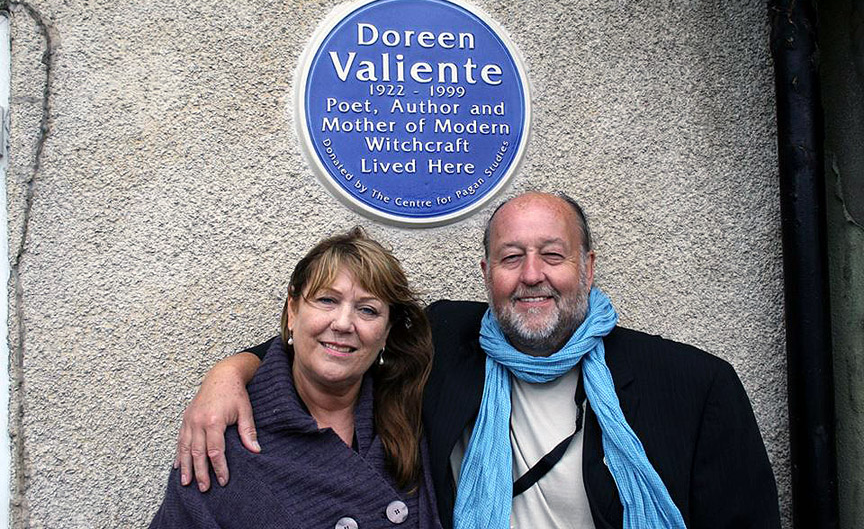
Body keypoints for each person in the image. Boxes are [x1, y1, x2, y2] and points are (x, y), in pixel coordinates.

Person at [173, 192, 781, 529]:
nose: (533, 275)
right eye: (512, 257)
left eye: (553, 255)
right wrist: (229, 372)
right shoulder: (445, 342)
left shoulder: (695, 385)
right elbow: (333, 347)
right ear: (486, 275)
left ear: (588, 269)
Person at [151, 228, 442, 529]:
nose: (343, 323)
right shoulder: (223, 441)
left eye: (367, 310)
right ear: (293, 310)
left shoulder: (417, 411)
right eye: (327, 300)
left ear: (386, 333)